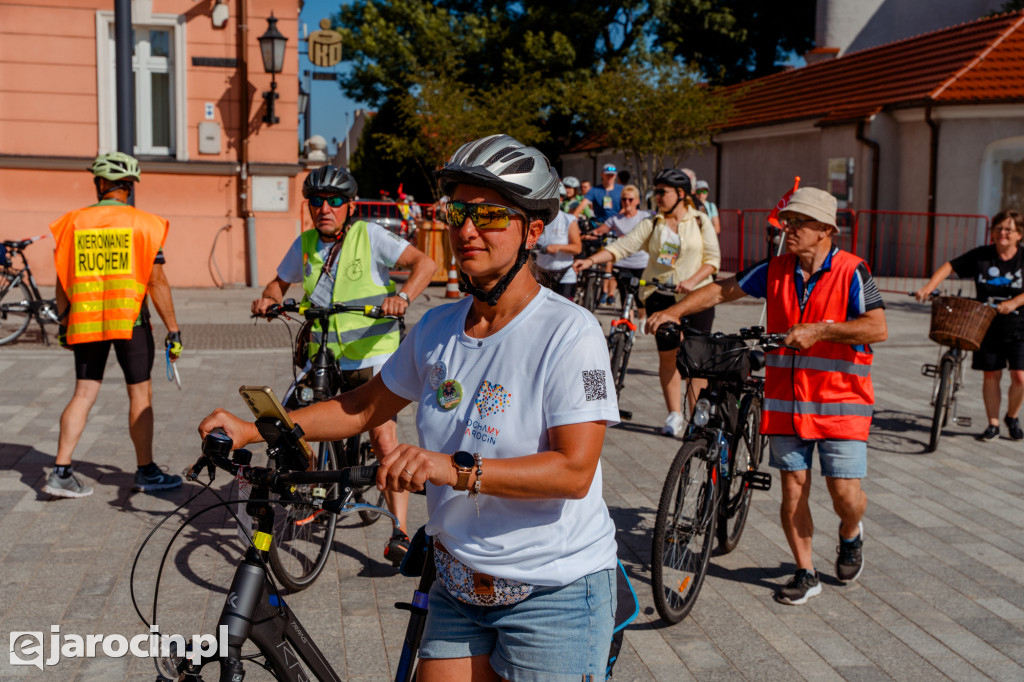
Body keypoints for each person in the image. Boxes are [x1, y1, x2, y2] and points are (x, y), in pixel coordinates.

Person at [203, 134, 619, 681]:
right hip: (458, 580)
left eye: (490, 214)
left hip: (553, 592)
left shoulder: (569, 332)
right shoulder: (439, 328)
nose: (467, 230)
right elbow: (362, 407)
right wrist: (256, 428)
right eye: (458, 212)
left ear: (533, 230)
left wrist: (448, 468)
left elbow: (573, 471)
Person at [647, 186, 887, 605]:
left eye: (800, 223)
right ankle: (805, 570)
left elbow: (877, 328)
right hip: (787, 402)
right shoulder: (775, 268)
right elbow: (723, 290)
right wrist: (675, 310)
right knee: (793, 487)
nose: (789, 228)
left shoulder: (853, 271)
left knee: (845, 495)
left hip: (841, 402)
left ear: (826, 230)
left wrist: (822, 330)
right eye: (788, 221)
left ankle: (851, 533)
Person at [251, 165, 436, 564]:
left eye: (334, 201)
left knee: (383, 438)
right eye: (316, 201)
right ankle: (316, 486)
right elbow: (277, 284)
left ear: (349, 206)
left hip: (371, 351)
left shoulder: (369, 236)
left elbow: (426, 264)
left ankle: (399, 530)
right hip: (324, 351)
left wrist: (401, 297)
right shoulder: (304, 244)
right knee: (297, 419)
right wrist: (268, 298)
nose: (324, 209)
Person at [43, 152, 183, 498]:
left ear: (100, 184)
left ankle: (60, 471)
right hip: (131, 322)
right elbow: (156, 282)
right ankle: (146, 471)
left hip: (87, 320)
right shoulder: (145, 224)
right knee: (139, 394)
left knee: (84, 392)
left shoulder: (73, 222)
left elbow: (62, 281)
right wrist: (173, 328)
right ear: (129, 187)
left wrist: (64, 322)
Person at [574, 169, 720, 436]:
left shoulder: (700, 221)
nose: (657, 197)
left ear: (681, 194)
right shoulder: (654, 223)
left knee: (696, 361)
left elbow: (713, 260)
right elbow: (623, 246)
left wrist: (692, 280)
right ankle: (674, 415)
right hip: (660, 297)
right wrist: (591, 260)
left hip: (697, 297)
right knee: (669, 357)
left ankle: (696, 420)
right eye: (656, 191)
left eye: (662, 192)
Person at [915, 210, 1024, 441]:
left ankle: (1012, 417)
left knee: (1020, 377)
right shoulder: (982, 256)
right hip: (985, 322)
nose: (1002, 233)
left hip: (1019, 325)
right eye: (998, 228)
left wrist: (1013, 302)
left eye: (1008, 229)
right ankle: (993, 423)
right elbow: (949, 267)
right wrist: (928, 287)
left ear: (1019, 235)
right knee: (991, 375)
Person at [586, 184, 651, 321]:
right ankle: (627, 325)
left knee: (640, 299)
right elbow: (600, 230)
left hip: (641, 263)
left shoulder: (645, 217)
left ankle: (641, 319)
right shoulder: (616, 219)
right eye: (624, 199)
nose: (627, 202)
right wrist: (587, 234)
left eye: (630, 199)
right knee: (624, 294)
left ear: (637, 201)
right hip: (622, 263)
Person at [533, 186, 582, 299]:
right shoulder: (537, 219)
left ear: (561, 199)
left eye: (556, 198)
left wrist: (558, 247)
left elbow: (577, 248)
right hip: (542, 272)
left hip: (564, 273)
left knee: (564, 312)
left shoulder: (568, 220)